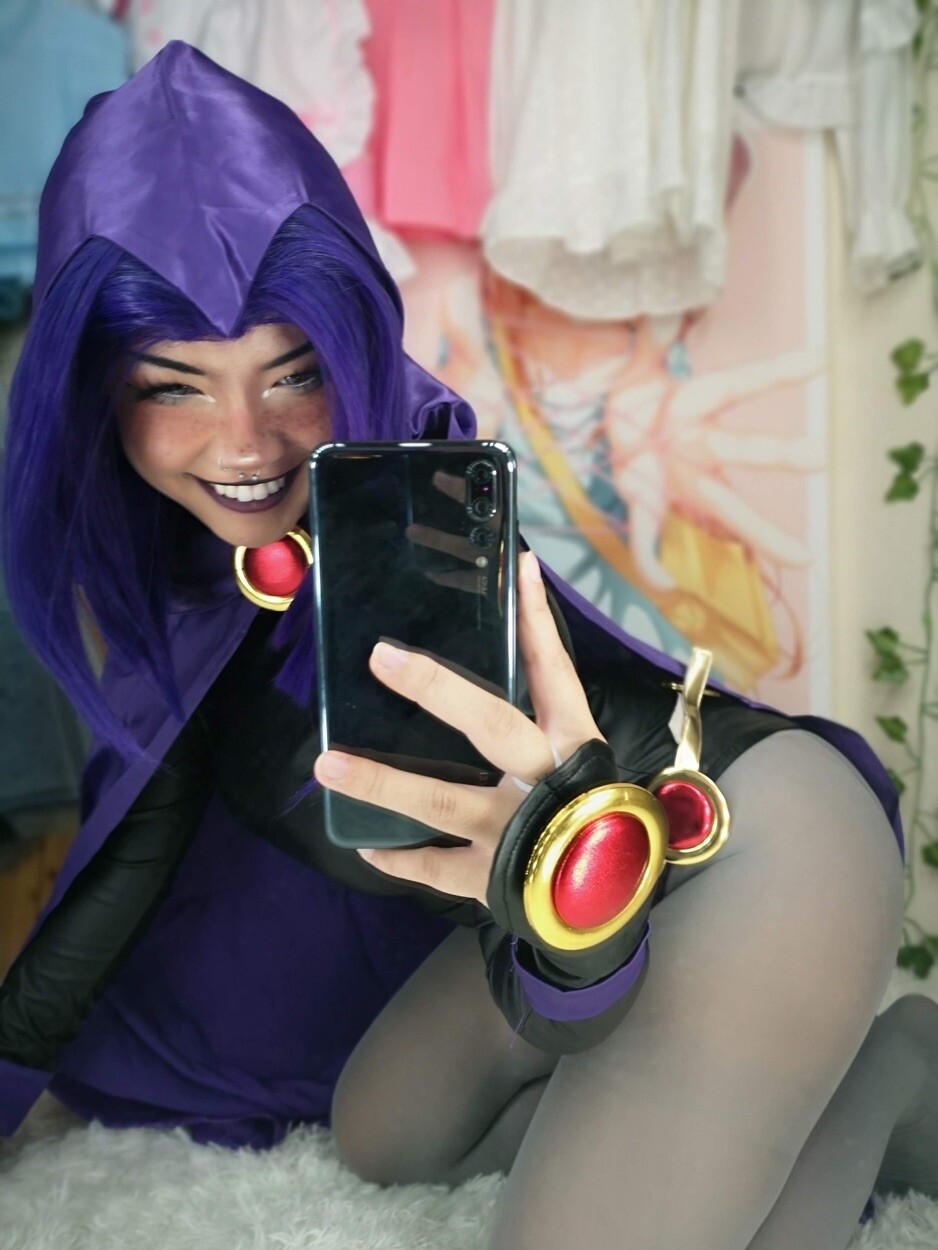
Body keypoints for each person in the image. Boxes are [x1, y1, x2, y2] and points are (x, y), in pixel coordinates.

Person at [1, 42, 936, 1250]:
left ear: (348, 346)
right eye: (173, 386)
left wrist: (563, 903)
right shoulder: (197, 572)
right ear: (93, 391)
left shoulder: (418, 517)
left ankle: (879, 1069)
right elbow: (133, 849)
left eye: (292, 375)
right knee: (383, 1131)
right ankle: (860, 1073)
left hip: (736, 838)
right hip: (551, 913)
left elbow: (564, 914)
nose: (245, 443)